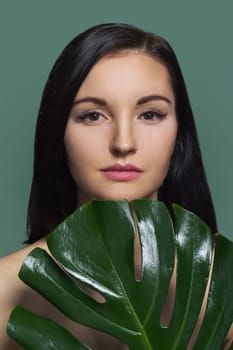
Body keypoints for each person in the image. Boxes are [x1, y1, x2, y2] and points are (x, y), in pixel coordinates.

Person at [0, 23, 231, 349]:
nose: (123, 143)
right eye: (93, 116)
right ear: (58, 133)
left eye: (150, 114)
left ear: (179, 132)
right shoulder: (4, 291)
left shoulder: (223, 286)